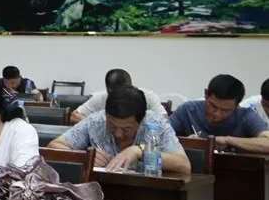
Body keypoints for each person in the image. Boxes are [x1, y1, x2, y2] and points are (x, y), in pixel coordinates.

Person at [50, 86, 190, 174]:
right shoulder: (96, 121)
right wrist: (85, 156)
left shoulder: (156, 124)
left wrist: (140, 151)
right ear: (106, 115)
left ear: (141, 121)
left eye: (126, 129)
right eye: (112, 126)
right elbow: (54, 146)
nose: (118, 134)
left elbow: (184, 165)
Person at [170, 74, 269, 153]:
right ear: (206, 94)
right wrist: (187, 142)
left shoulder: (246, 116)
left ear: (237, 106)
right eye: (213, 106)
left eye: (225, 110)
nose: (217, 114)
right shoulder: (188, 110)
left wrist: (228, 140)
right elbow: (161, 138)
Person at [70, 68, 167, 124]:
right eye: (114, 94)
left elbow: (164, 120)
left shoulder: (148, 97)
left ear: (131, 86)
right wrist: (99, 124)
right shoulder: (101, 98)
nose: (119, 99)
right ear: (108, 90)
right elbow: (74, 116)